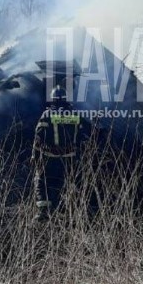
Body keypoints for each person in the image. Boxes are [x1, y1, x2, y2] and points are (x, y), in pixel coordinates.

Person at [31, 85, 89, 221]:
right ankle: (70, 212)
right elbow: (83, 134)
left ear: (53, 100)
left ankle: (43, 212)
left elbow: (38, 137)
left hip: (51, 158)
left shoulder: (47, 115)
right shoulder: (75, 114)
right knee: (65, 183)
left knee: (41, 181)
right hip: (71, 158)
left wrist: (35, 155)